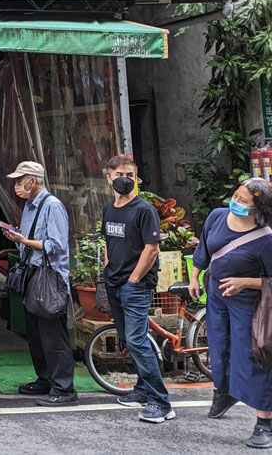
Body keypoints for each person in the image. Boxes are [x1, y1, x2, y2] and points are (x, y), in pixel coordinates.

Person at [189, 178, 272, 449]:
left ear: (257, 209)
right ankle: (224, 392)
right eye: (235, 196)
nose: (235, 202)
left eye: (243, 201)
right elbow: (203, 248)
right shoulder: (217, 216)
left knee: (252, 356)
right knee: (218, 347)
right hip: (215, 297)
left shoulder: (265, 238)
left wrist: (245, 282)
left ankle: (264, 422)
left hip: (247, 303)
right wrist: (194, 276)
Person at [101, 153, 172, 424]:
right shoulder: (109, 208)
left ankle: (161, 402)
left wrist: (133, 280)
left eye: (130, 175)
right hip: (114, 281)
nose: (124, 179)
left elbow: (152, 250)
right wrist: (109, 266)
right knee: (129, 339)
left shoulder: (144, 210)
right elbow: (107, 239)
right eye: (119, 175)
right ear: (108, 178)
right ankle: (142, 390)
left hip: (136, 286)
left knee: (138, 341)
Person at [3, 161, 77, 407]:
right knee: (35, 333)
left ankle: (64, 389)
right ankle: (45, 379)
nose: (16, 186)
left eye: (19, 180)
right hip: (33, 275)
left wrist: (26, 240)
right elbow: (29, 242)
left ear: (31, 181)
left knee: (53, 335)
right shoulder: (29, 207)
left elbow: (56, 245)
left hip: (50, 278)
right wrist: (17, 238)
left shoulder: (52, 206)